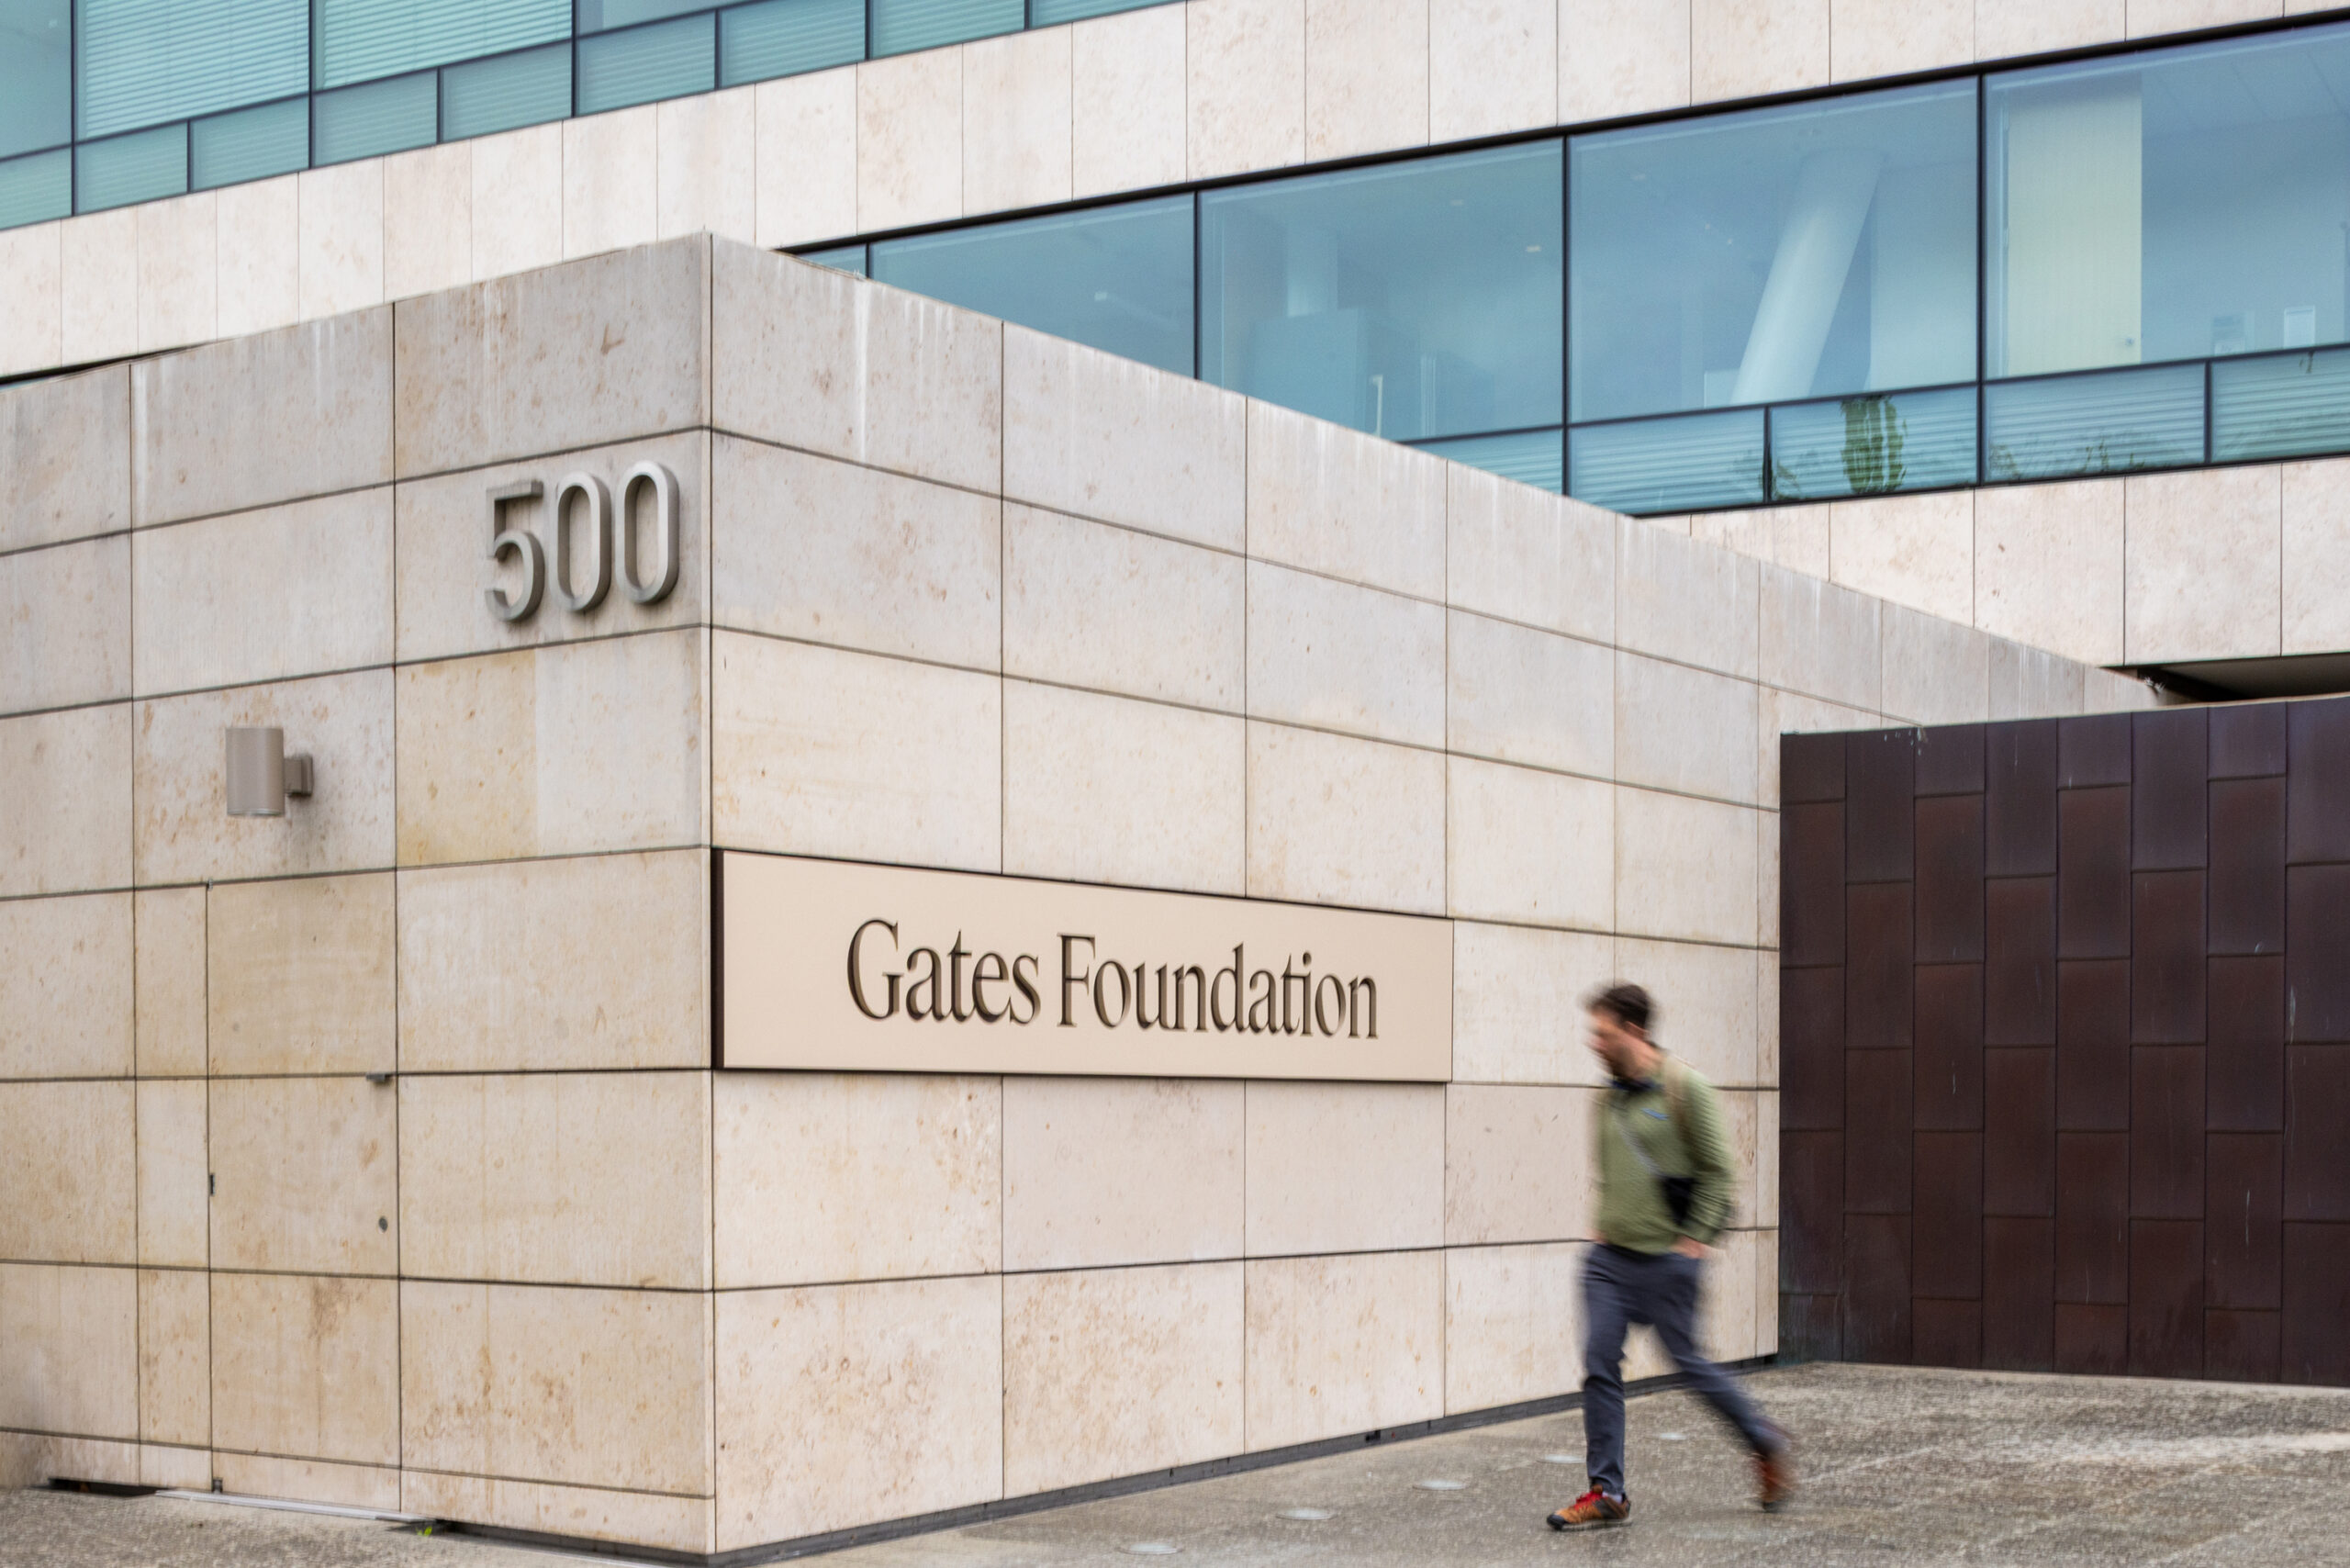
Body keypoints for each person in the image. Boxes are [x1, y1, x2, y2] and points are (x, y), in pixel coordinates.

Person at [1547, 981, 1793, 1529]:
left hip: (1666, 1260)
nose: (1594, 1043)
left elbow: (1718, 1172)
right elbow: (1613, 1172)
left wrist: (1693, 1242)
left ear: (1634, 1031)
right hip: (1609, 1261)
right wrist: (1603, 1225)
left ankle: (1764, 1440)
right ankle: (1607, 1492)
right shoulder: (1605, 1097)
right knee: (1599, 1363)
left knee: (1690, 1365)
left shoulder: (1686, 1089)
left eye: (1603, 1033)